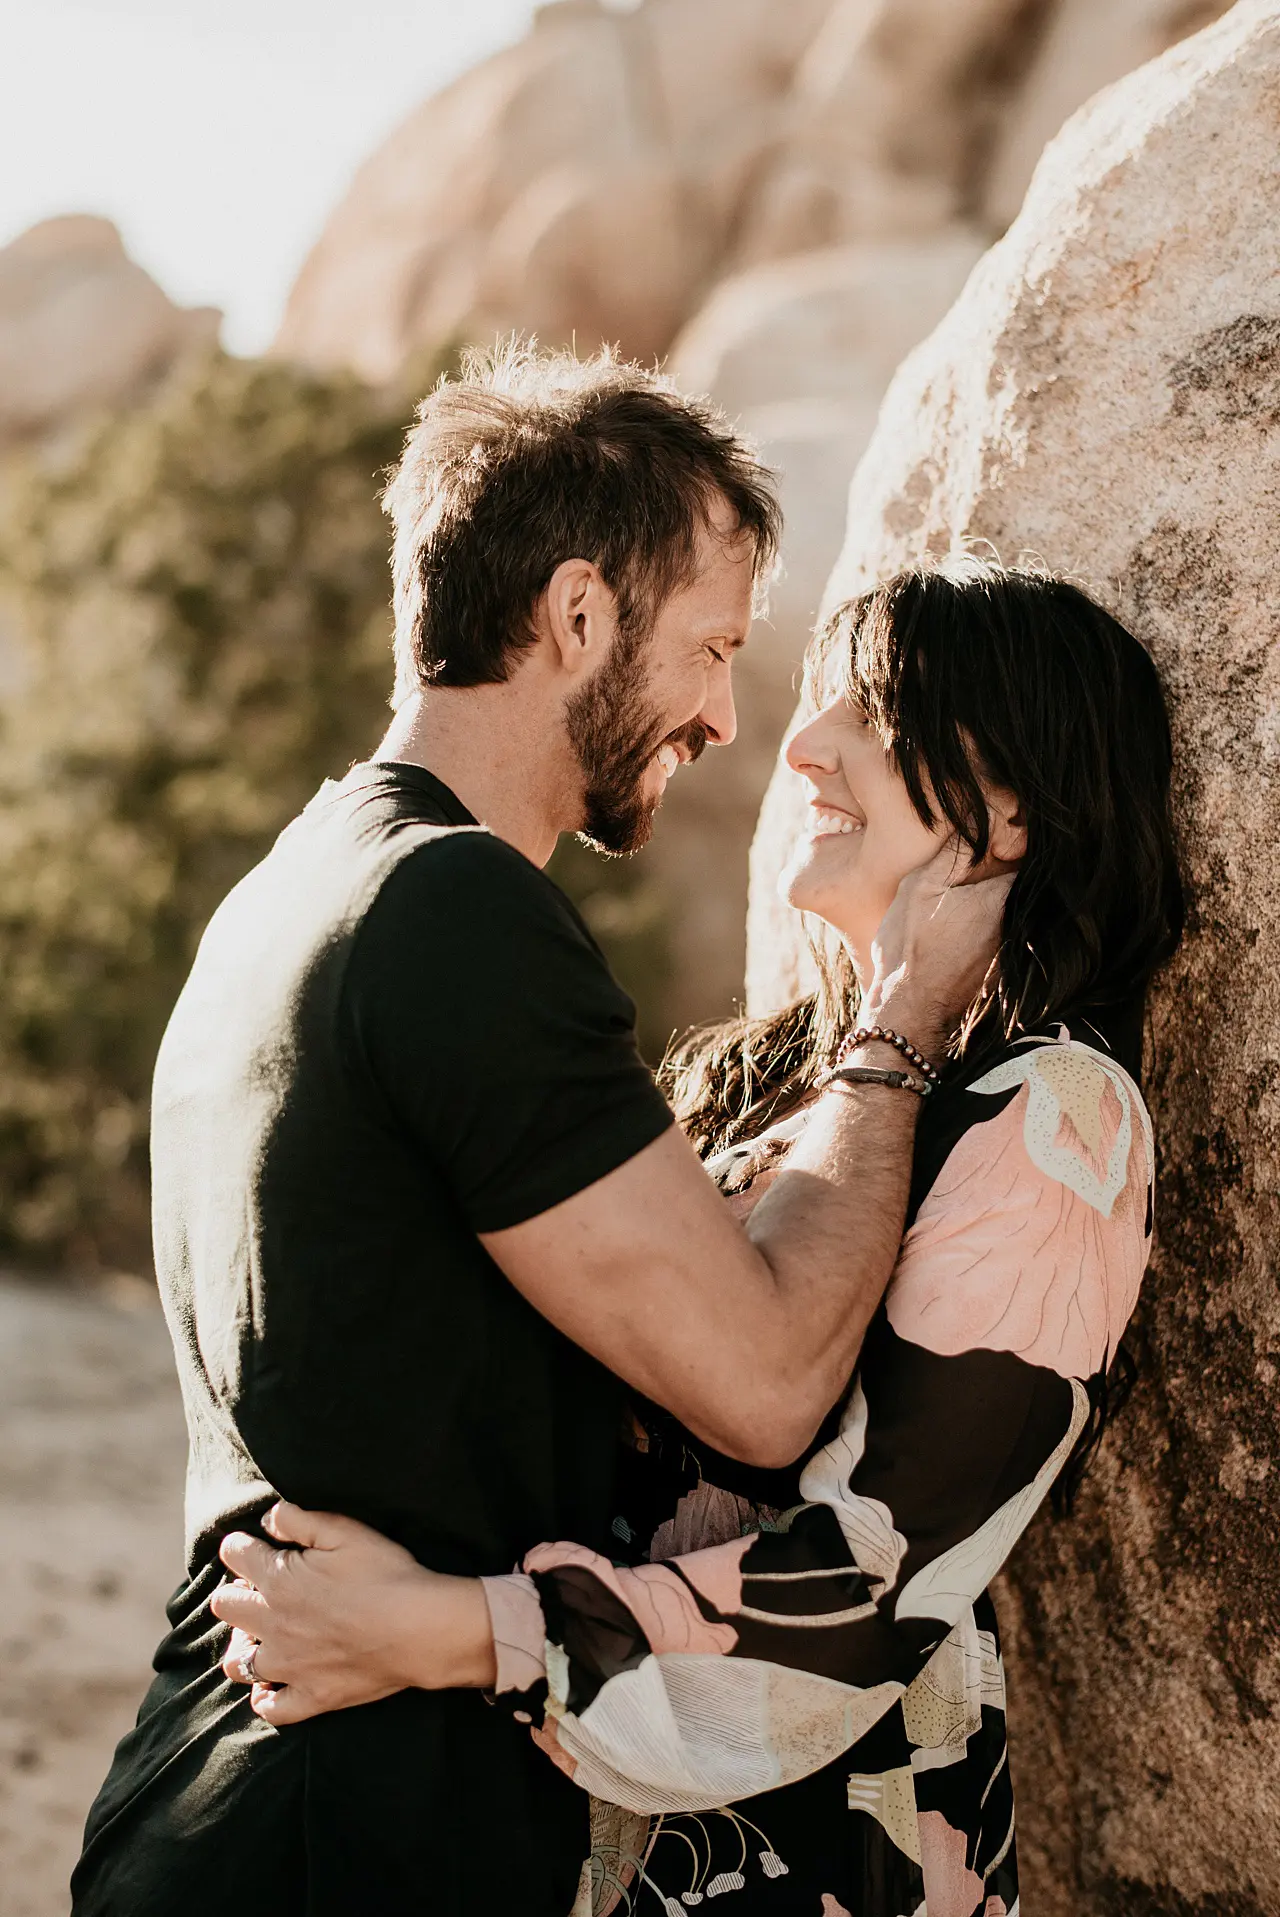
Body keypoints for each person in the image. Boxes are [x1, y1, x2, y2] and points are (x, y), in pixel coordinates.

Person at [71, 349, 1007, 1917]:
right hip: (353, 1831)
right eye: (708, 647)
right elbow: (771, 1385)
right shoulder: (457, 911)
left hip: (232, 1792)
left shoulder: (289, 889)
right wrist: (903, 1026)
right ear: (577, 616)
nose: (721, 713)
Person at [211, 559, 1184, 1917]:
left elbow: (870, 1572)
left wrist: (444, 1632)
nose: (800, 745)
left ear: (1010, 812)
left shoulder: (1058, 1116)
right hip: (574, 1815)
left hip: (808, 1851)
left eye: (876, 716)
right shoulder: (795, 1074)